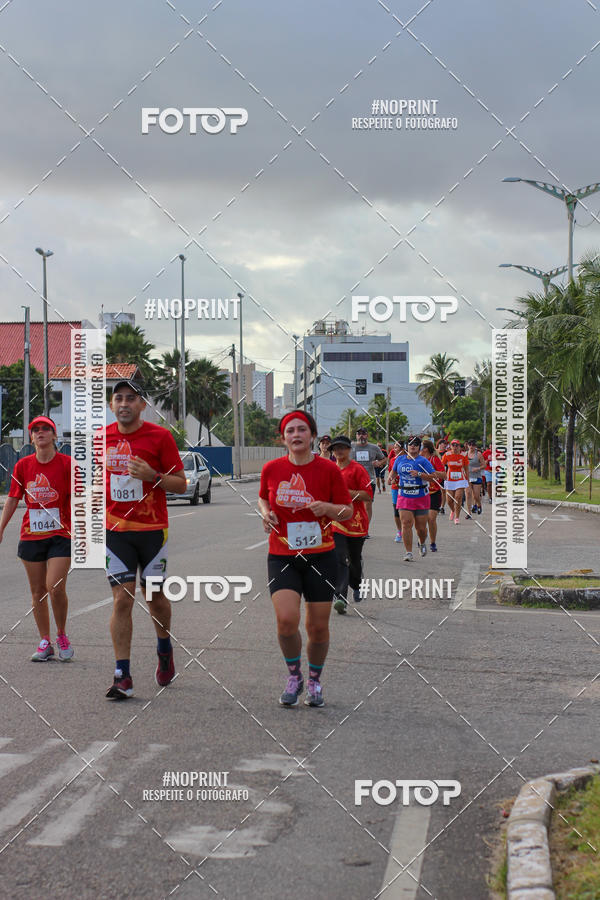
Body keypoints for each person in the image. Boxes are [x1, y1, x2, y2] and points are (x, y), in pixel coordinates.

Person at [258, 410, 352, 708]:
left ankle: (314, 680)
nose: (296, 435)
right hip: (282, 554)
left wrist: (326, 507)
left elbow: (347, 511)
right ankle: (295, 675)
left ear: (312, 435)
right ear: (283, 438)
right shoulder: (272, 468)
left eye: (302, 430)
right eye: (290, 431)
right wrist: (265, 513)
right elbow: (263, 497)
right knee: (286, 621)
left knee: (318, 627)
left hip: (321, 556)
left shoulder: (328, 470)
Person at [104, 380, 186, 700]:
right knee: (122, 599)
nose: (124, 403)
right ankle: (122, 674)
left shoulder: (160, 437)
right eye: (118, 398)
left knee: (154, 599)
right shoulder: (100, 439)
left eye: (131, 399)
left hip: (152, 531)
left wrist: (153, 475)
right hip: (115, 532)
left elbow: (180, 484)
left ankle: (164, 648)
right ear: (112, 405)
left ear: (142, 405)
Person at [0, 416, 73, 661]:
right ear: (31, 437)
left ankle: (61, 634)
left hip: (60, 535)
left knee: (55, 587)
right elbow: (12, 498)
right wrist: (0, 528)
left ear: (54, 435)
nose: (40, 432)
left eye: (46, 429)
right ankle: (45, 641)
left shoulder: (67, 464)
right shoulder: (23, 466)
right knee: (38, 592)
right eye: (36, 430)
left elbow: (80, 499)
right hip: (31, 536)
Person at [329, 435, 372, 614]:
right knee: (340, 558)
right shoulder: (330, 469)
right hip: (336, 522)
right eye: (335, 448)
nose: (339, 451)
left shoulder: (357, 470)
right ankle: (340, 597)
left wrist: (346, 494)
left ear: (349, 450)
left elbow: (367, 494)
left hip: (356, 522)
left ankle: (356, 584)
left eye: (342, 448)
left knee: (354, 560)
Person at [392, 436, 437, 562]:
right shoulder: (399, 459)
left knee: (421, 528)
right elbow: (394, 471)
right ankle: (408, 552)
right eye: (410, 444)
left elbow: (433, 477)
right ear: (406, 446)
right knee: (406, 523)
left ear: (419, 447)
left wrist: (419, 474)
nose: (413, 446)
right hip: (404, 495)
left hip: (421, 496)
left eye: (416, 444)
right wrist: (391, 477)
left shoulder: (423, 461)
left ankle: (422, 543)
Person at [351, 428, 385, 525]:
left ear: (367, 435)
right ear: (356, 435)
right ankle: (353, 526)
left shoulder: (374, 448)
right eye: (359, 434)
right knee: (353, 504)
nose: (361, 436)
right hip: (353, 480)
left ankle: (365, 528)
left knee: (367, 505)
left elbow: (384, 459)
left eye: (364, 433)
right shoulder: (350, 447)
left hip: (369, 480)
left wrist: (379, 462)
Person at [421, 440, 444, 552]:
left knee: (431, 519)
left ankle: (433, 542)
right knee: (421, 520)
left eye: (419, 446)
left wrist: (433, 472)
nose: (416, 448)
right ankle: (421, 540)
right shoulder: (417, 460)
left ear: (425, 449)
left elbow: (444, 475)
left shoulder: (434, 459)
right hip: (421, 493)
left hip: (434, 493)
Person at [441, 439, 469, 524]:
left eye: (457, 445)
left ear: (459, 447)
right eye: (453, 445)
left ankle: (457, 517)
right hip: (450, 478)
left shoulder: (464, 455)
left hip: (460, 479)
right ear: (451, 446)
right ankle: (453, 510)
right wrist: (442, 475)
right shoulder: (447, 454)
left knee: (458, 497)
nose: (455, 447)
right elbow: (442, 466)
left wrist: (467, 480)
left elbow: (466, 468)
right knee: (449, 500)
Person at [387, 441, 405, 542]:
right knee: (396, 511)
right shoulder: (393, 460)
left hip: (406, 488)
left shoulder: (409, 459)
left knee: (406, 510)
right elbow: (390, 474)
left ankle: (406, 528)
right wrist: (390, 480)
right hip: (395, 488)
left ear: (402, 449)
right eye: (394, 447)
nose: (394, 449)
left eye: (396, 447)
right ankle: (399, 531)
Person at [466, 439, 485, 514]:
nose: (471, 446)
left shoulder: (479, 454)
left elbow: (484, 465)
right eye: (470, 444)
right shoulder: (464, 454)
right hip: (467, 477)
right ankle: (469, 512)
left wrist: (478, 468)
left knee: (476, 496)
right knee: (468, 494)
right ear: (467, 445)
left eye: (473, 445)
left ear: (475, 446)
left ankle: (479, 505)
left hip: (477, 476)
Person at [436, 439, 448, 514]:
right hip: (436, 473)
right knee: (436, 491)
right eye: (443, 444)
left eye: (445, 444)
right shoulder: (435, 452)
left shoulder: (446, 453)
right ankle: (437, 505)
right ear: (439, 444)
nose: (445, 445)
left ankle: (442, 507)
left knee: (443, 491)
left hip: (444, 473)